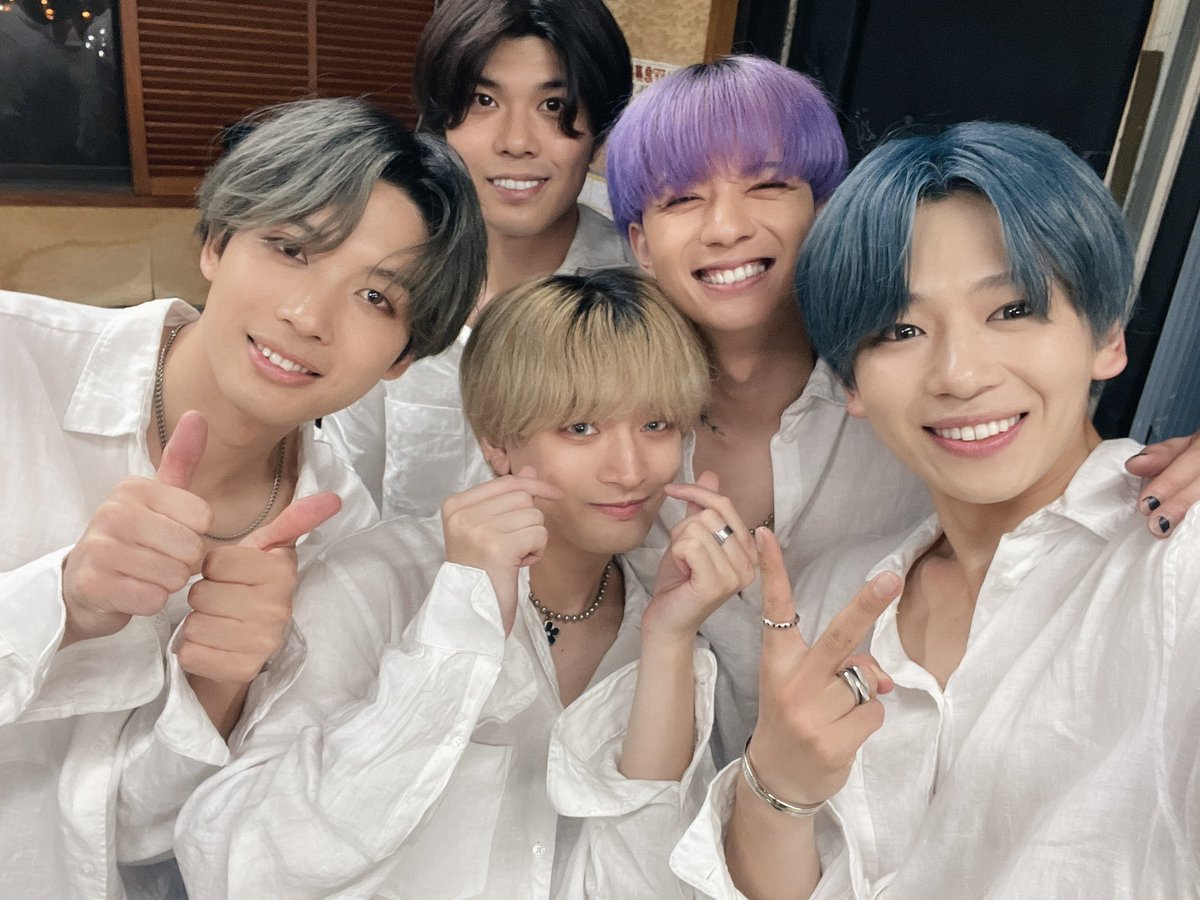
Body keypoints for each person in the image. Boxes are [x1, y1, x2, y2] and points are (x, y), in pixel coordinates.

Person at [603, 54, 1200, 767]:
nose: (726, 227)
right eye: (681, 199)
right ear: (640, 243)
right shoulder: (603, 421)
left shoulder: (912, 403)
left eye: (767, 184)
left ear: (826, 210)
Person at [674, 121, 1199, 898]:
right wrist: (776, 787)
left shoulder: (1177, 562)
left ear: (1107, 335)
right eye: (902, 329)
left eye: (1013, 310)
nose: (959, 373)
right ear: (850, 384)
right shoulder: (835, 595)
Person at [0, 97, 485, 899]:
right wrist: (64, 603)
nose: (307, 316)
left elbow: (139, 839)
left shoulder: (338, 544)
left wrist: (217, 687)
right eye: (291, 249)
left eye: (376, 298)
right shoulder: (15, 363)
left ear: (403, 358)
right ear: (217, 243)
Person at [174, 270, 751, 899]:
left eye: (657, 425)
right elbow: (236, 867)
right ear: (497, 443)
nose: (630, 470)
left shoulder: (674, 619)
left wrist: (668, 643)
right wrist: (457, 630)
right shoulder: (375, 582)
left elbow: (651, 887)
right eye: (581, 428)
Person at [321, 0, 635, 520]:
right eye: (483, 100)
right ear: (440, 120)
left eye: (553, 105)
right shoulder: (387, 282)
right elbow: (344, 487)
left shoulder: (640, 289)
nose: (516, 142)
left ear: (600, 130)